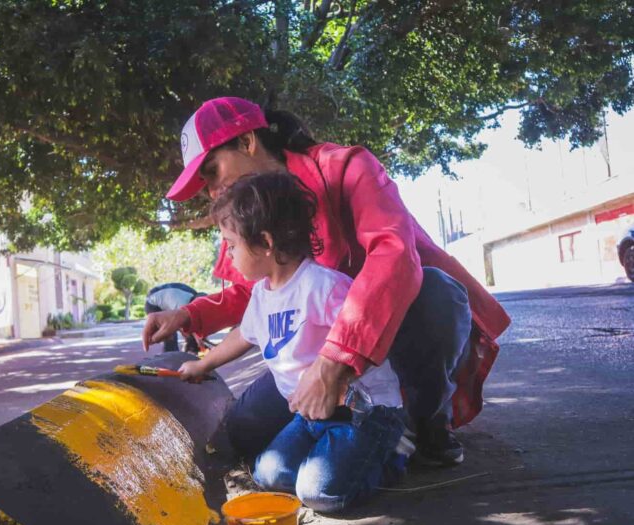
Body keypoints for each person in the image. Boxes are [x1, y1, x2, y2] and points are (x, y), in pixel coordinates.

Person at [143, 96, 511, 466]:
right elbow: (251, 291)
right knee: (243, 433)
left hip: (379, 342)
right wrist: (188, 315)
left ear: (246, 142)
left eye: (211, 170)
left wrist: (335, 360)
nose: (212, 190)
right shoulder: (246, 214)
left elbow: (394, 255)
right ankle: (349, 434)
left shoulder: (346, 167)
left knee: (436, 292)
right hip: (310, 355)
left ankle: (422, 424)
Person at [178, 172, 410, 512]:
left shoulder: (322, 286)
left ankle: (390, 455)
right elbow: (244, 334)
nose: (227, 257)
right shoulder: (261, 294)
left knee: (319, 494)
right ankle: (336, 455)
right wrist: (203, 364)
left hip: (363, 413)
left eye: (231, 245)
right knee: (270, 474)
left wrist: (339, 377)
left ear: (266, 243)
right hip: (309, 414)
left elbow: (367, 336)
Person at [144, 283, 205, 353]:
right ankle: (171, 356)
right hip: (153, 304)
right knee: (170, 333)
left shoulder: (193, 296)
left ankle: (190, 349)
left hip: (163, 296)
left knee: (190, 331)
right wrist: (196, 337)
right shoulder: (182, 303)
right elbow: (181, 325)